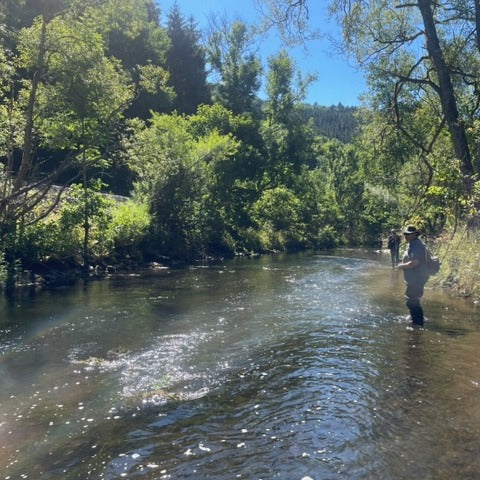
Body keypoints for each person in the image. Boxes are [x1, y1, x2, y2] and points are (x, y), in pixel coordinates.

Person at [396, 225, 429, 326]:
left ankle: (418, 324)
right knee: (413, 300)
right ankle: (415, 319)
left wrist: (401, 266)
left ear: (415, 234)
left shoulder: (416, 245)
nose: (406, 236)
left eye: (409, 234)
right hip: (415, 278)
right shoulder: (412, 244)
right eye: (405, 234)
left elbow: (415, 262)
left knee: (411, 301)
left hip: (417, 278)